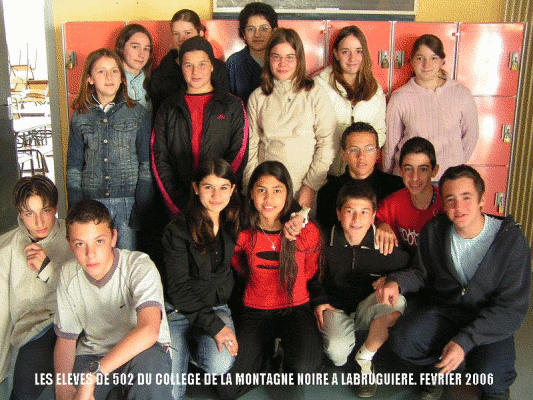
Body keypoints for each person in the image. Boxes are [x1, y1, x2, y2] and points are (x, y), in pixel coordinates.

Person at [377, 165, 531, 400]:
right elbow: (421, 273)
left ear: (482, 199)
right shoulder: (434, 231)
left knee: (492, 377)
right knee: (404, 340)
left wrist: (464, 341)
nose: (458, 207)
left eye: (466, 197)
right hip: (447, 311)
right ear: (444, 204)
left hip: (488, 319)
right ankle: (438, 368)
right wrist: (396, 283)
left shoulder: (511, 240)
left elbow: (511, 309)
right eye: (450, 199)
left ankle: (489, 380)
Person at [218, 161, 323, 400]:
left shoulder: (305, 231)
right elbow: (237, 264)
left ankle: (285, 349)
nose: (268, 198)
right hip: (255, 310)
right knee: (228, 389)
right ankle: (266, 359)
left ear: (288, 194)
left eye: (277, 190)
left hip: (295, 308)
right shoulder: (243, 232)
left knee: (305, 370)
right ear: (251, 194)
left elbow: (309, 270)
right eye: (261, 190)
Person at [52, 199, 171, 400]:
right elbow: (66, 338)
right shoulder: (68, 275)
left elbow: (149, 331)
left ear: (113, 237)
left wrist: (92, 376)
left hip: (142, 352)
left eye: (99, 241)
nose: (91, 254)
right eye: (80, 244)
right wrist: (63, 387)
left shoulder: (139, 266)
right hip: (93, 353)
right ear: (70, 245)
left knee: (150, 376)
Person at [310, 181, 409, 397]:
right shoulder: (322, 242)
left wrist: (392, 279)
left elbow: (411, 268)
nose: (356, 219)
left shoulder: (384, 244)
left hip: (367, 309)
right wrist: (319, 299)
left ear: (373, 216)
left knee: (397, 301)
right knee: (337, 355)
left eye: (364, 212)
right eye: (349, 211)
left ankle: (365, 357)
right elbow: (309, 275)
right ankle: (347, 347)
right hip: (335, 309)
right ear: (338, 213)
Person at [162, 159, 241, 400]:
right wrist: (216, 328)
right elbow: (178, 289)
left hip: (215, 307)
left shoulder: (234, 221)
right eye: (208, 187)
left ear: (232, 189)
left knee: (219, 363)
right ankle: (181, 349)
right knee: (171, 394)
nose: (216, 195)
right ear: (196, 188)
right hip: (177, 312)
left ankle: (194, 351)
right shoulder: (177, 230)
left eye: (223, 187)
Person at [66, 48, 152, 251]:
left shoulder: (137, 113)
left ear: (122, 78)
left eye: (114, 71)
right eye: (101, 71)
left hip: (127, 203)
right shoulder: (80, 115)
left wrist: (142, 206)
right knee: (96, 255)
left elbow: (145, 164)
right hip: (91, 200)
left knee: (126, 257)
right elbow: (74, 166)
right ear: (89, 79)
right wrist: (76, 206)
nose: (109, 77)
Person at [152, 36, 248, 217]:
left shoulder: (232, 105)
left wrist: (218, 195)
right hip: (179, 206)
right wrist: (178, 206)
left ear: (212, 66)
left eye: (202, 64)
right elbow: (159, 158)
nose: (195, 71)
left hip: (220, 206)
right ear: (181, 67)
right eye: (188, 65)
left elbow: (239, 154)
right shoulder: (168, 107)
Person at [244, 28, 336, 211]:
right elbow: (251, 148)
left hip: (304, 189)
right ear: (268, 59)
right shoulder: (257, 97)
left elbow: (327, 143)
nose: (282, 63)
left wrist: (311, 186)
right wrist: (251, 188)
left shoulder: (315, 93)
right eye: (276, 57)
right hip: (267, 192)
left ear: (299, 59)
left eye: (290, 57)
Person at [0, 176, 73, 400]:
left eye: (45, 210)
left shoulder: (74, 237)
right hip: (32, 332)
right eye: (30, 213)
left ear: (56, 208)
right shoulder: (7, 248)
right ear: (20, 214)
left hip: (73, 325)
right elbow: (2, 315)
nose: (39, 221)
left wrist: (47, 269)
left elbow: (88, 293)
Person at [383, 34, 479, 180]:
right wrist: (389, 180)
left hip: (448, 180)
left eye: (433, 58)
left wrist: (452, 166)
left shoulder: (461, 93)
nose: (426, 65)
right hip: (410, 180)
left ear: (442, 61)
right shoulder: (399, 98)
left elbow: (470, 137)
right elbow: (390, 147)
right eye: (420, 58)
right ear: (412, 61)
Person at [315, 25, 387, 177]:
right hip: (324, 174)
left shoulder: (375, 89)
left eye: (358, 51)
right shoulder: (318, 86)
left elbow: (379, 131)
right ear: (336, 54)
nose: (352, 58)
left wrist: (364, 155)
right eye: (345, 52)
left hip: (361, 175)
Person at [317, 122, 403, 232]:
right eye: (354, 150)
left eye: (368, 149)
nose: (361, 156)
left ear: (378, 153)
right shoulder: (328, 192)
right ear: (344, 154)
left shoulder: (396, 187)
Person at [150, 9, 230, 117]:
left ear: (200, 33)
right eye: (176, 34)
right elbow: (158, 116)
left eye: (187, 33)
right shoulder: (160, 75)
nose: (181, 38)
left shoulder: (218, 69)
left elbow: (225, 110)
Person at [376, 137, 443, 255]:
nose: (414, 177)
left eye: (423, 169)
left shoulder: (445, 201)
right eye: (408, 169)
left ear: (434, 170)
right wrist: (382, 225)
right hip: (407, 263)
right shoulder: (393, 203)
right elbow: (373, 218)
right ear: (400, 170)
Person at [226, 2, 278, 105]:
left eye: (264, 28)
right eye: (251, 29)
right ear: (243, 34)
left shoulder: (282, 61)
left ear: (274, 31)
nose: (257, 34)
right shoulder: (234, 63)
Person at [115, 23, 154, 113]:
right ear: (122, 47)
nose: (142, 54)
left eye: (146, 49)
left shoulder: (153, 80)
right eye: (135, 47)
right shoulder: (111, 81)